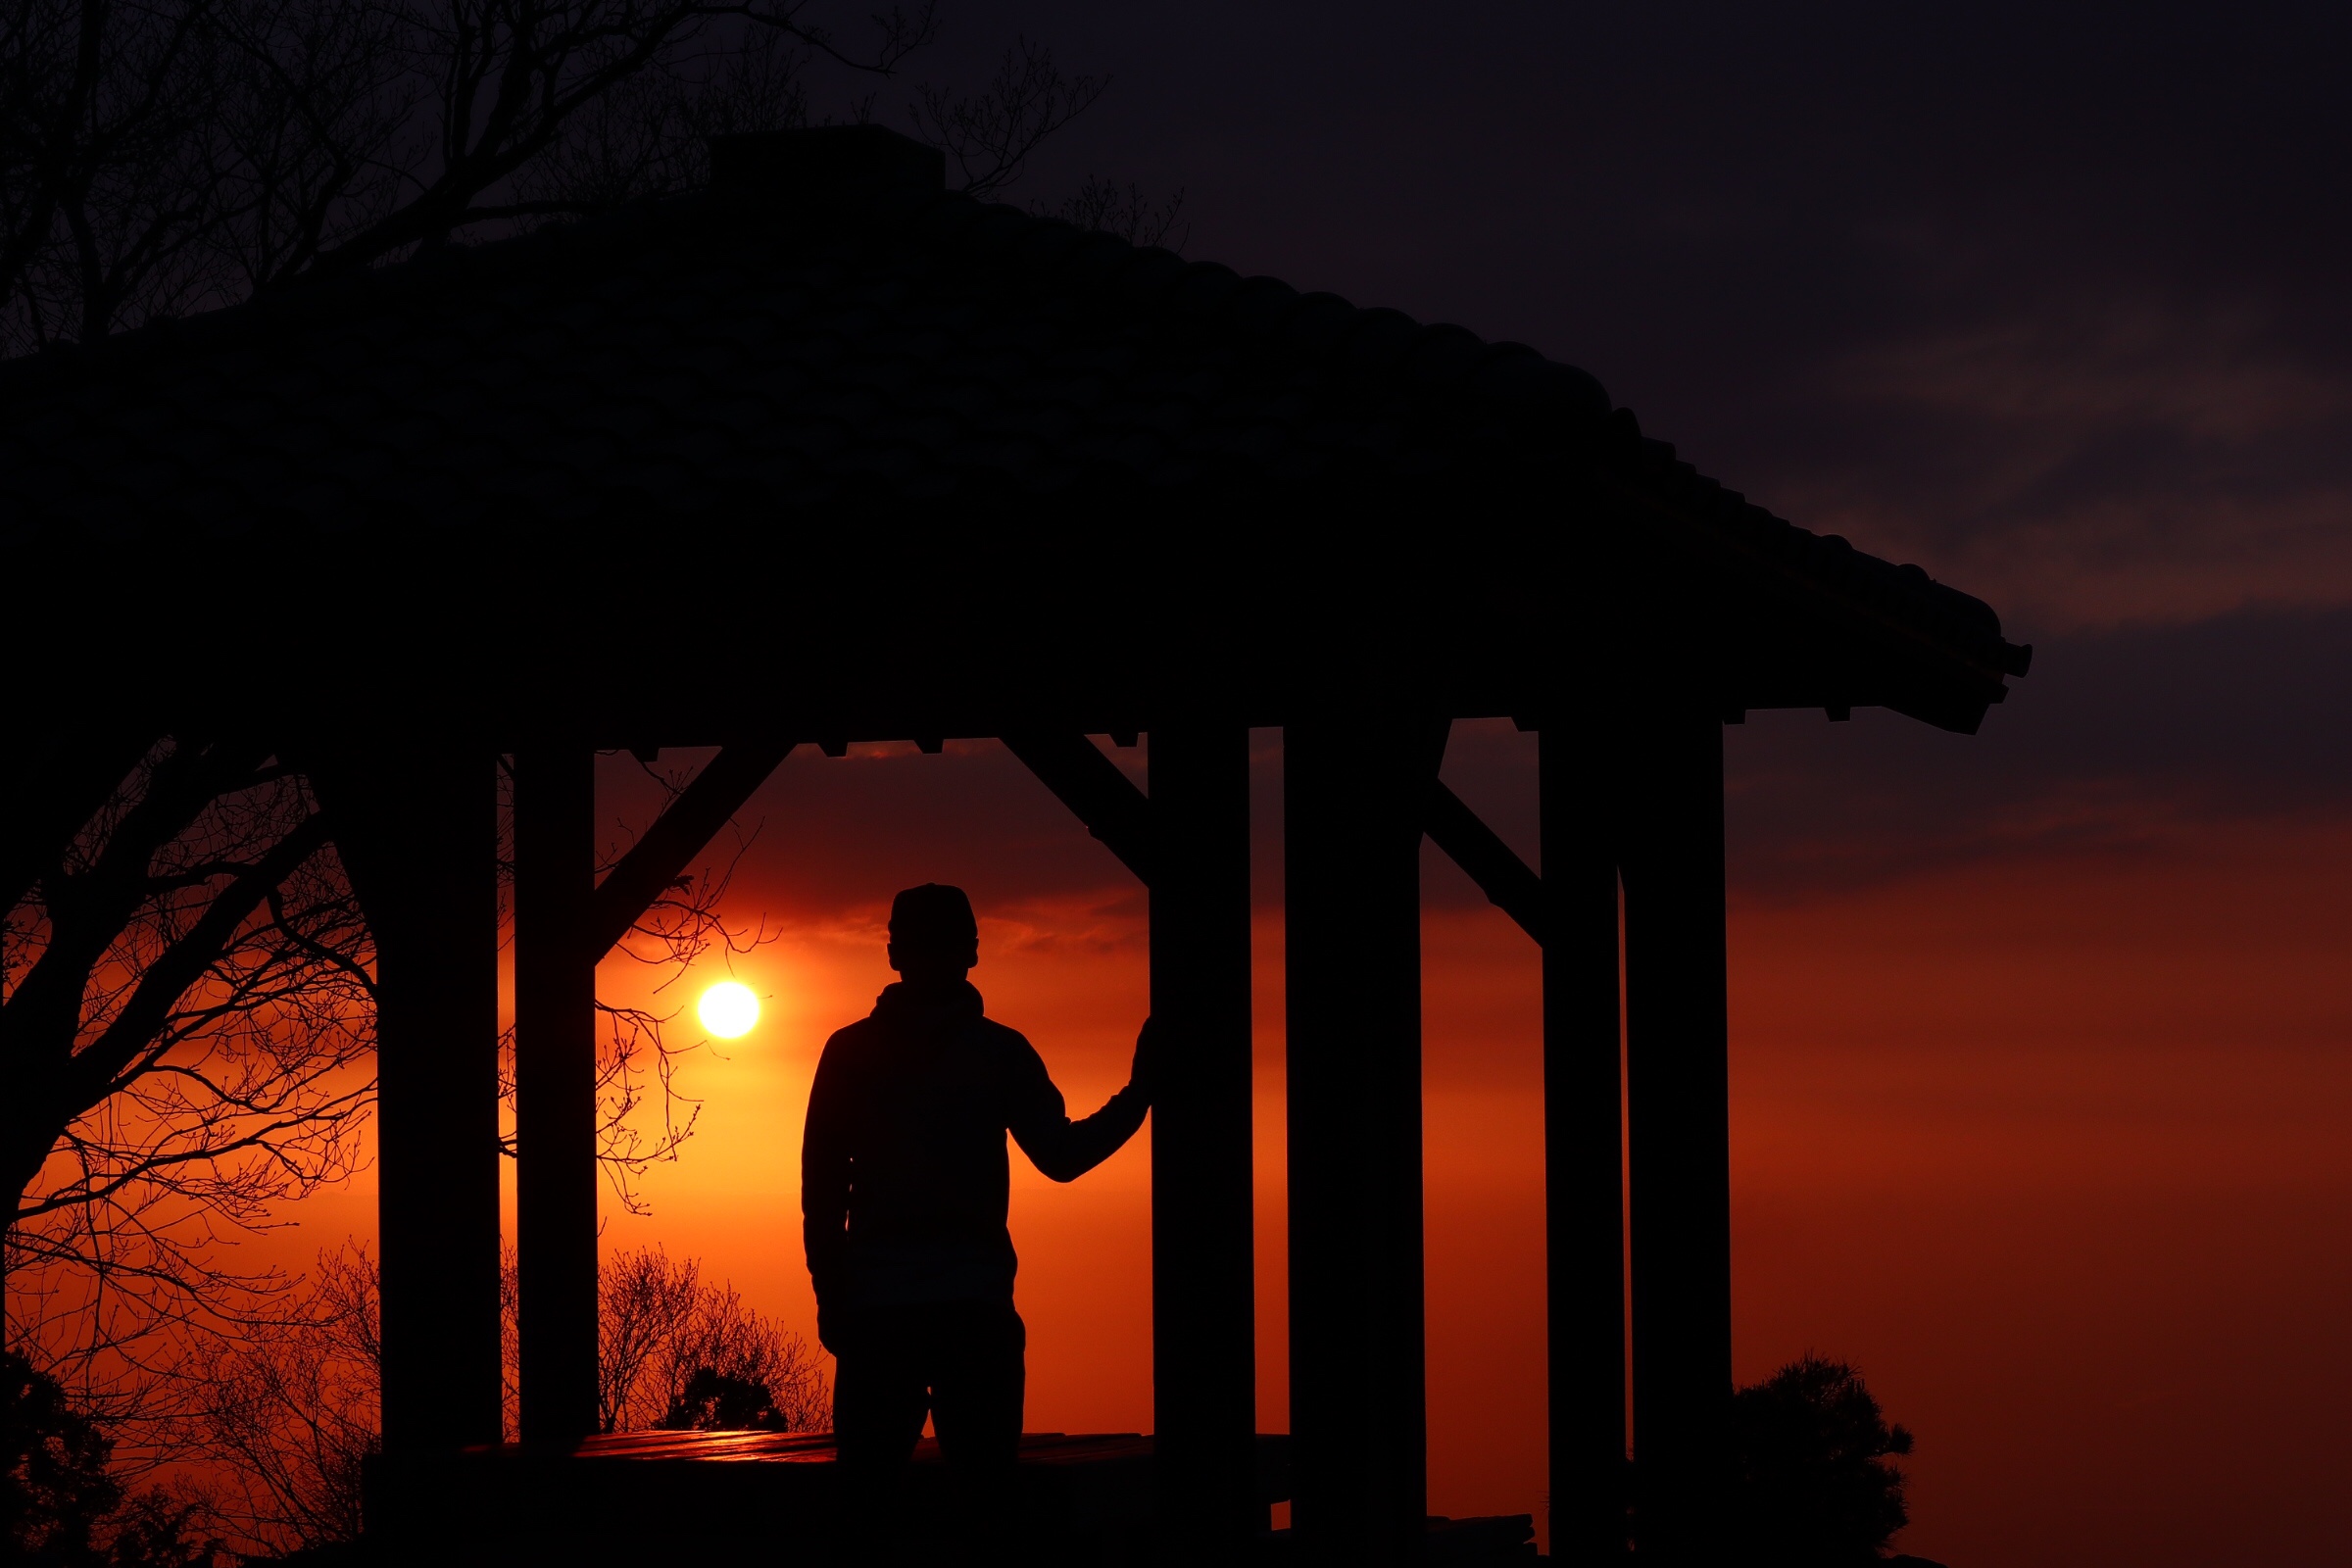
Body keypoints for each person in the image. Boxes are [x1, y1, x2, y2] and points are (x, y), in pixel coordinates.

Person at [803, 882, 1155, 1555]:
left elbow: (822, 1193)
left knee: (866, 1516)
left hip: (885, 1314)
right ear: (973, 953)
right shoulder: (997, 1052)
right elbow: (1063, 1155)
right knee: (987, 1518)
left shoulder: (852, 1052)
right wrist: (1139, 1095)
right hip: (969, 1314)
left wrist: (834, 1299)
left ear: (892, 953)